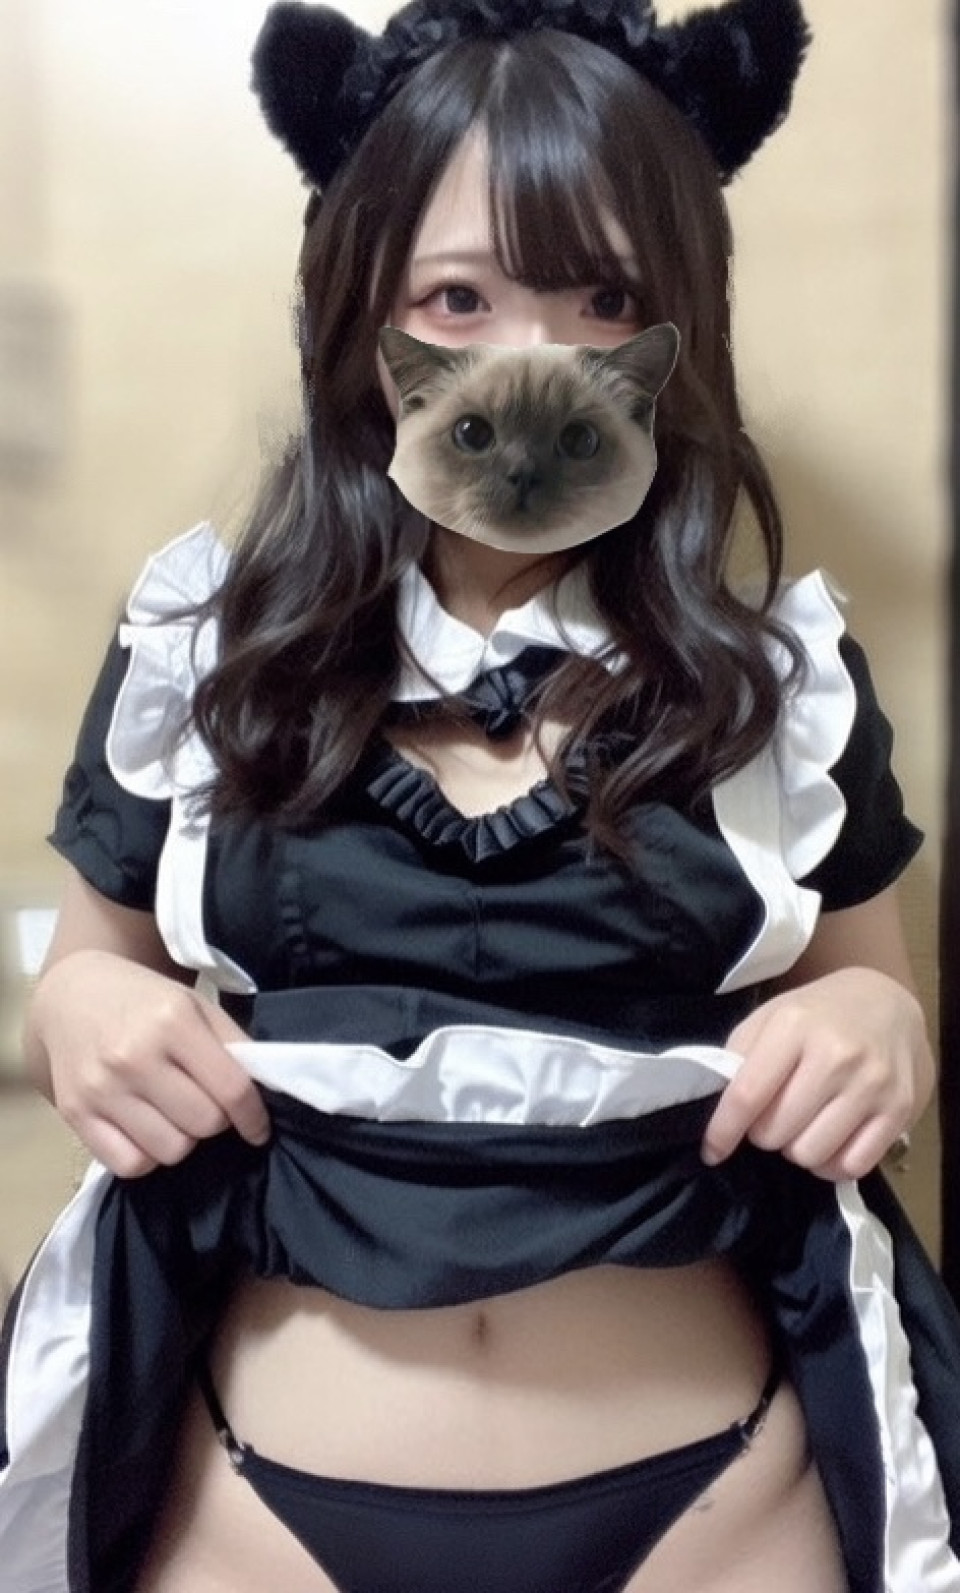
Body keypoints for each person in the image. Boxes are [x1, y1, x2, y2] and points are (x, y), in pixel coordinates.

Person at [2, 2, 960, 1590]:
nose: (536, 360)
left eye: (605, 298)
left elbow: (878, 1002)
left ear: (680, 327)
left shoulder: (780, 679)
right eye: (460, 295)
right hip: (252, 1515)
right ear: (359, 315)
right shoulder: (204, 648)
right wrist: (88, 1010)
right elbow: (84, 981)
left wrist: (874, 1033)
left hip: (720, 1511)